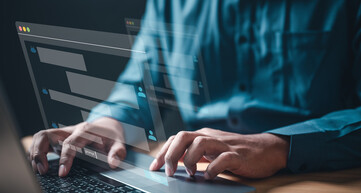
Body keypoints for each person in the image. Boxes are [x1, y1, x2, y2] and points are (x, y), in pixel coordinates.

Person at [29, 0, 361, 179]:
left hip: (318, 184)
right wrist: (110, 121)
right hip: (202, 180)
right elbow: (141, 83)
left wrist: (275, 146)